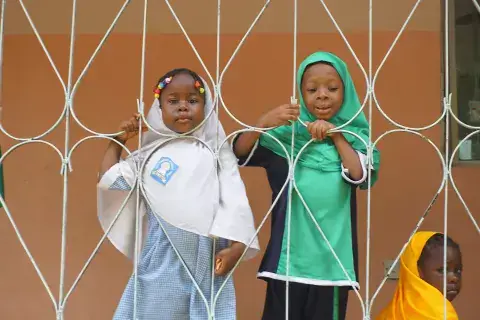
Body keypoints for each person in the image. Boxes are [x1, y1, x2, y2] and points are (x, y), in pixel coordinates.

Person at [97, 68, 260, 320]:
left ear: (206, 108)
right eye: (173, 101)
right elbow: (112, 180)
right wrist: (118, 140)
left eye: (192, 101)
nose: (183, 107)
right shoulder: (149, 154)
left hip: (207, 254)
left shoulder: (217, 151)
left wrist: (238, 246)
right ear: (159, 109)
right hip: (162, 252)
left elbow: (235, 197)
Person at [233, 51, 380, 319]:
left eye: (332, 88)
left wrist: (337, 136)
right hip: (288, 261)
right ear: (301, 94)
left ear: (345, 92)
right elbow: (240, 152)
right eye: (312, 89)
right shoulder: (288, 137)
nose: (322, 95)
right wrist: (264, 123)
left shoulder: (355, 138)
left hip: (332, 265)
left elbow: (360, 175)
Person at [377, 231, 462, 320]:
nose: (454, 278)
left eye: (458, 270)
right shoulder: (441, 315)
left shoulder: (389, 313)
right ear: (416, 271)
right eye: (442, 270)